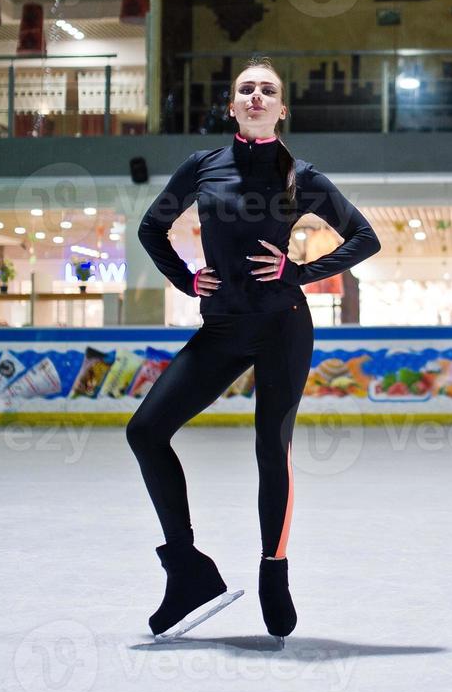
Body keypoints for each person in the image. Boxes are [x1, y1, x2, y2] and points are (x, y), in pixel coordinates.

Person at [129, 54, 382, 645]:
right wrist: (187, 279)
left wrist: (300, 272)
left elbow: (364, 237)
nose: (257, 96)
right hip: (221, 327)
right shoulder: (202, 168)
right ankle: (188, 571)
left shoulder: (303, 176)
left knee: (272, 444)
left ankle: (274, 569)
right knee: (144, 431)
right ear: (233, 105)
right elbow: (150, 228)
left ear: (282, 109)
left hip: (281, 326)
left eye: (268, 89)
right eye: (246, 89)